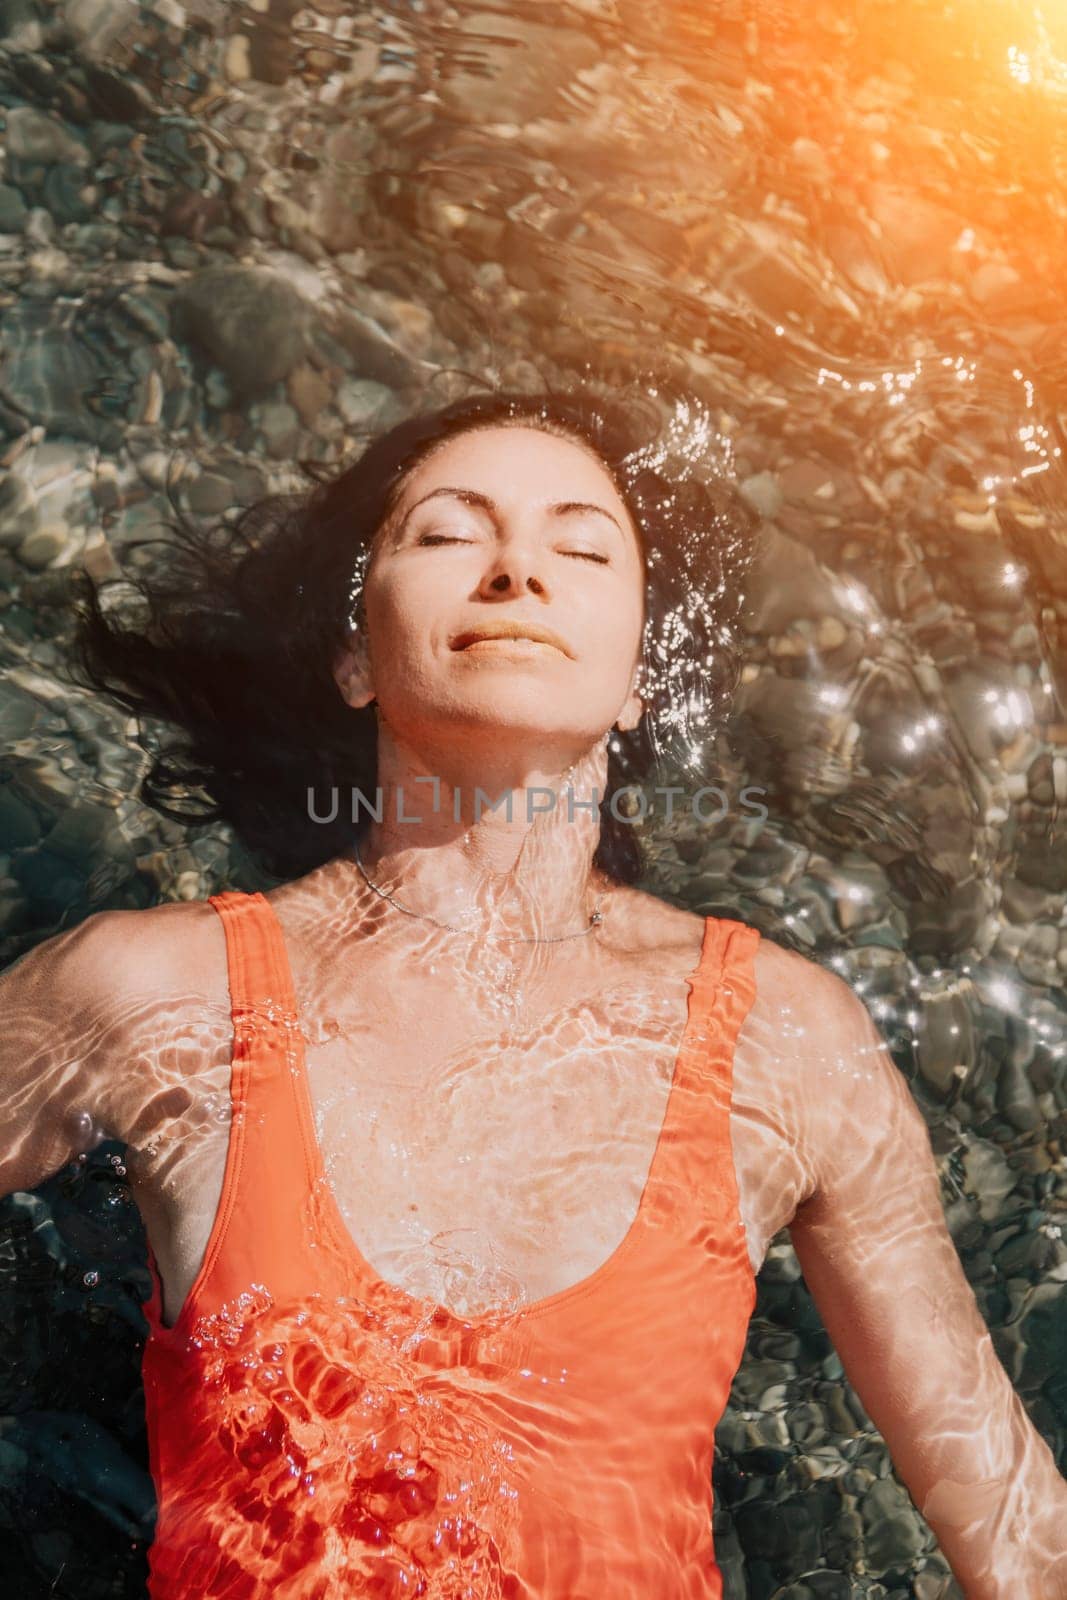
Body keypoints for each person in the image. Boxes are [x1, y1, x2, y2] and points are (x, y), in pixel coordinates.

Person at [2, 389, 1065, 1597]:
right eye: (449, 535)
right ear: (352, 655)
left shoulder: (786, 1040)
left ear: (637, 677)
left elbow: (1008, 1517)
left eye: (581, 546)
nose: (516, 570)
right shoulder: (150, 991)